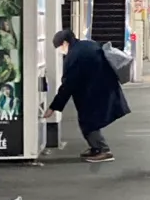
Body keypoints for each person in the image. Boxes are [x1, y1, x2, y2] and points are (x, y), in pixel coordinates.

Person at [44, 28, 130, 163]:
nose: (61, 51)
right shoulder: (87, 44)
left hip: (95, 92)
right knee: (89, 120)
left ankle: (103, 150)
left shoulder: (74, 56)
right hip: (103, 88)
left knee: (89, 122)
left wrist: (53, 107)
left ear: (65, 43)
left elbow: (67, 85)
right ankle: (95, 148)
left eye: (60, 47)